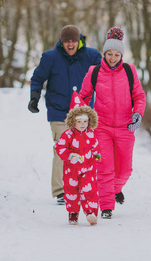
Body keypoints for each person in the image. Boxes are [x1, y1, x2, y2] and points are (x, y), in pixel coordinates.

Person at [28, 25, 101, 204]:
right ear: (62, 41)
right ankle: (61, 191)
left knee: (84, 150)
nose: (70, 44)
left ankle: (83, 186)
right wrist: (34, 98)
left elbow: (105, 75)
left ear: (79, 41)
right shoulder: (50, 57)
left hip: (83, 114)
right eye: (66, 41)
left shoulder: (91, 56)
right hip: (58, 111)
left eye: (73, 41)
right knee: (63, 148)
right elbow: (37, 78)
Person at [79, 27, 146, 219]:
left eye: (117, 54)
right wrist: (83, 118)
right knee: (105, 168)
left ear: (121, 54)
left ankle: (115, 190)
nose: (113, 58)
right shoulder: (94, 72)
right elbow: (83, 97)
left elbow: (139, 96)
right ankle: (106, 207)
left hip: (126, 127)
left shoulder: (129, 71)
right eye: (109, 54)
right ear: (104, 53)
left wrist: (137, 114)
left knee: (125, 170)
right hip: (102, 127)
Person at [55, 88, 100, 225]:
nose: (82, 125)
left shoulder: (91, 134)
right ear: (73, 122)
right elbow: (60, 147)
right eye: (79, 122)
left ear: (89, 121)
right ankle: (73, 213)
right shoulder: (68, 135)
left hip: (88, 168)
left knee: (89, 190)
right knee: (71, 192)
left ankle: (90, 212)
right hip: (71, 170)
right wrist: (69, 156)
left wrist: (97, 156)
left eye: (85, 121)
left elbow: (96, 147)